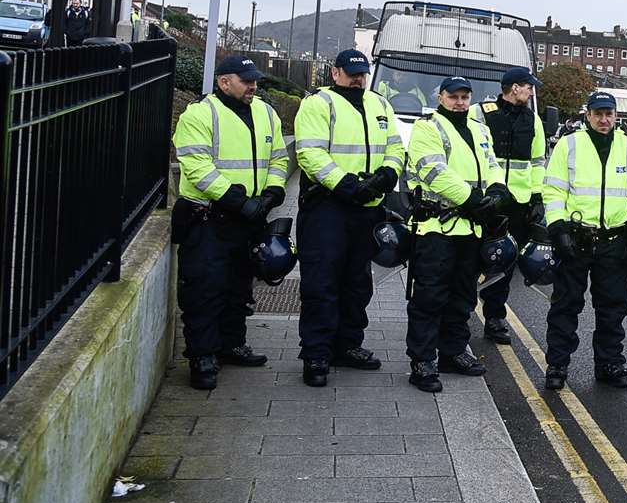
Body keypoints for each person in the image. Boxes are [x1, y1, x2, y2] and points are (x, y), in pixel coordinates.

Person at [171, 56, 289, 390]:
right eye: (246, 81)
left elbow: (279, 157)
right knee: (204, 290)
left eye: (255, 81)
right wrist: (238, 201)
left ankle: (232, 343)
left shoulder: (265, 111)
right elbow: (197, 167)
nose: (253, 86)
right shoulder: (200, 114)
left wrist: (273, 192)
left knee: (239, 288)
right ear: (225, 82)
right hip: (209, 218)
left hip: (249, 218)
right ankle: (202, 356)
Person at [292, 48, 405, 386]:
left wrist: (388, 174)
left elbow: (396, 147)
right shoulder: (318, 104)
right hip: (328, 207)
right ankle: (316, 354)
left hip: (367, 209)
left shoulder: (380, 104)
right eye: (352, 72)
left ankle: (348, 345)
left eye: (362, 73)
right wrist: (345, 184)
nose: (358, 79)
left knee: (357, 283)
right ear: (335, 72)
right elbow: (309, 153)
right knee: (322, 283)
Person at [539, 91, 627, 389]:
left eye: (609, 114)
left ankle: (609, 364)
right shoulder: (569, 145)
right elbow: (553, 192)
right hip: (576, 239)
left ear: (616, 116)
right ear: (587, 115)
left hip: (615, 241)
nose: (604, 119)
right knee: (565, 306)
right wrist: (558, 229)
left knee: (612, 309)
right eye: (598, 113)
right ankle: (557, 365)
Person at [405, 77, 508, 393]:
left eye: (465, 97)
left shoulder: (479, 128)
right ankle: (423, 361)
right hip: (438, 226)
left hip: (470, 228)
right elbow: (434, 173)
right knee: (430, 296)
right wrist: (475, 199)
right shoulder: (427, 128)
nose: (460, 102)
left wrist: (497, 189)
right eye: (454, 97)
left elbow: (491, 164)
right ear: (440, 97)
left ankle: (452, 352)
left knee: (463, 295)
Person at [477, 66, 547, 346]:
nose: (531, 91)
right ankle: (455, 317)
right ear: (514, 87)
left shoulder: (534, 120)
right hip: (484, 200)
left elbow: (538, 161)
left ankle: (494, 318)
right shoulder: (480, 113)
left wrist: (537, 196)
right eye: (528, 86)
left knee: (504, 264)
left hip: (517, 203)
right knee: (471, 260)